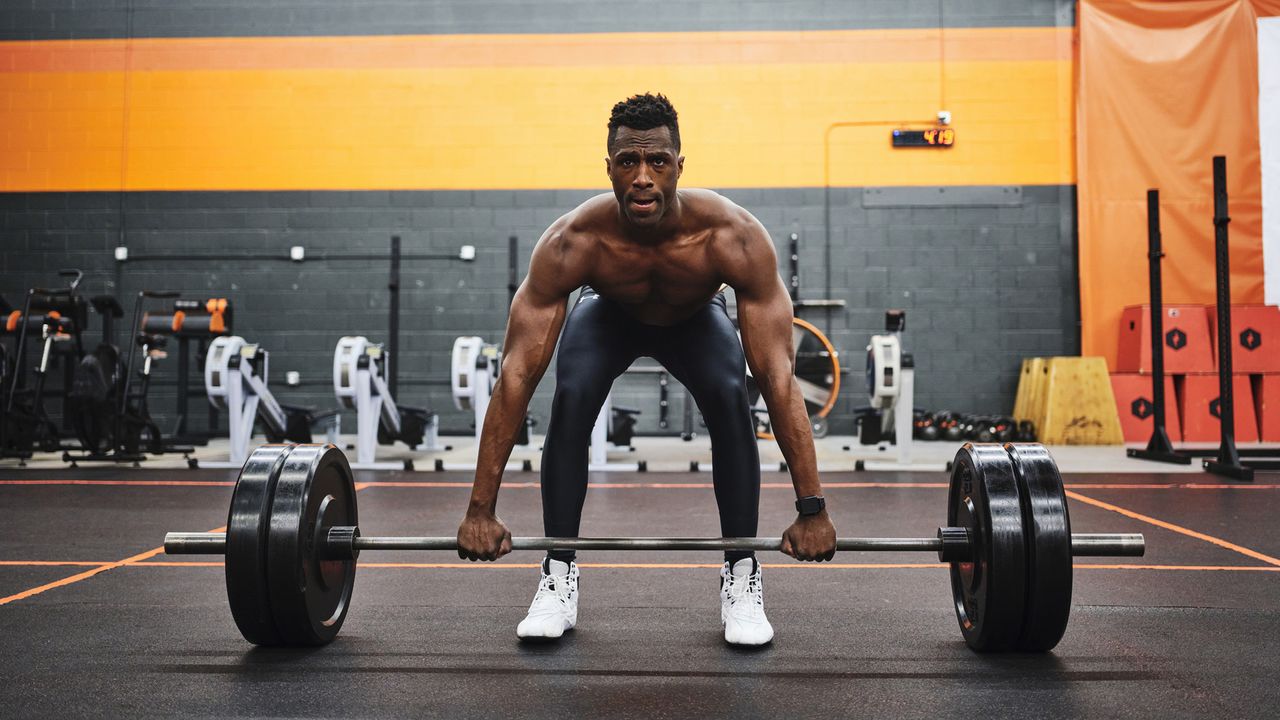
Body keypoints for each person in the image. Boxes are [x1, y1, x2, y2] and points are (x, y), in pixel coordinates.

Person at [456, 93, 836, 646]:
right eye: (627, 162)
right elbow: (516, 376)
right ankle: (558, 572)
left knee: (734, 397)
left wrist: (812, 509)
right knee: (572, 395)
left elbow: (778, 379)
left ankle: (742, 572)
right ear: (607, 166)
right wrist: (479, 510)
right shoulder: (572, 242)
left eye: (657, 162)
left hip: (694, 319)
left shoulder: (733, 237)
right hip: (608, 314)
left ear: (680, 165)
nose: (642, 177)